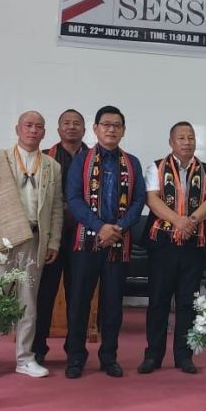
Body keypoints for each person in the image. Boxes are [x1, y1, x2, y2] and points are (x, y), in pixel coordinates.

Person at [0, 111, 63, 382]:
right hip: (1, 240)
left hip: (34, 240)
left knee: (28, 302)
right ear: (17, 128)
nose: (33, 130)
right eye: (28, 125)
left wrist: (53, 240)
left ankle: (25, 358)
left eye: (39, 127)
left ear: (45, 133)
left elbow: (56, 207)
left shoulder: (51, 166)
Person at [64, 105, 146, 379]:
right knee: (79, 302)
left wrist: (119, 227)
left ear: (123, 130)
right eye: (106, 124)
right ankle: (75, 357)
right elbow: (73, 199)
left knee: (112, 305)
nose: (111, 129)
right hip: (86, 243)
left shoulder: (131, 162)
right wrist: (100, 227)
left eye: (117, 125)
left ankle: (109, 356)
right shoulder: (82, 160)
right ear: (96, 128)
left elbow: (138, 201)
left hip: (118, 243)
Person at [138, 121, 206, 375]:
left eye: (191, 137)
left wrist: (191, 221)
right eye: (181, 138)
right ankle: (153, 355)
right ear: (171, 142)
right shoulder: (156, 167)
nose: (187, 142)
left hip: (193, 244)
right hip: (162, 245)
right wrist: (178, 221)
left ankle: (184, 356)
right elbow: (151, 199)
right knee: (158, 300)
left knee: (187, 302)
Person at [33, 109, 87, 366]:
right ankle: (37, 349)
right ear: (58, 129)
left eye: (77, 123)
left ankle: (75, 352)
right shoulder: (45, 158)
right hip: (51, 238)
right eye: (67, 123)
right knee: (44, 295)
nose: (72, 127)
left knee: (78, 297)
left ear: (86, 130)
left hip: (84, 238)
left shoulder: (94, 159)